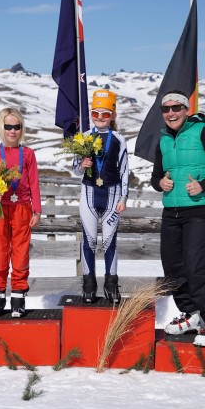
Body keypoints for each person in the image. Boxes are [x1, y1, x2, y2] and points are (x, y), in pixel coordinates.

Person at [151, 90, 205, 347]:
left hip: (201, 210)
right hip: (172, 212)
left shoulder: (204, 132)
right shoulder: (163, 139)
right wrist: (160, 183)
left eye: (176, 107)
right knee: (173, 270)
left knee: (197, 268)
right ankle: (192, 315)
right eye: (166, 109)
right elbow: (156, 176)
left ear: (187, 110)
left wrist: (203, 186)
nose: (171, 113)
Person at [0, 107, 41, 318]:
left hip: (22, 208)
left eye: (17, 127)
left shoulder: (28, 154)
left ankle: (18, 296)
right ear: (1, 127)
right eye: (8, 126)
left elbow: (34, 183)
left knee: (20, 250)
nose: (13, 131)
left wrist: (37, 210)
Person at [73, 89, 129, 303]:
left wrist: (124, 198)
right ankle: (89, 284)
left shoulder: (118, 139)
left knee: (109, 241)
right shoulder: (84, 137)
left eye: (105, 114)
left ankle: (111, 284)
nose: (100, 118)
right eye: (96, 113)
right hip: (89, 193)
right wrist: (81, 164)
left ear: (113, 115)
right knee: (88, 240)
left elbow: (124, 170)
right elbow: (75, 169)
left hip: (113, 195)